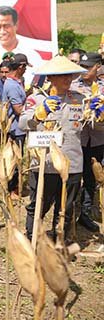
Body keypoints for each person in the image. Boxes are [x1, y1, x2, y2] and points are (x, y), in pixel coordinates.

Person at [19, 55, 88, 241]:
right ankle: (32, 240)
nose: (68, 79)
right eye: (62, 75)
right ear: (50, 77)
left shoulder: (80, 100)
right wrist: (38, 114)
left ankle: (59, 243)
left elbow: (94, 126)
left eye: (70, 75)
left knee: (66, 207)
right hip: (45, 164)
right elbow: (22, 123)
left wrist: (100, 116)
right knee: (39, 206)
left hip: (72, 163)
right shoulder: (36, 99)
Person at [70, 51, 104, 232]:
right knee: (74, 178)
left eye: (88, 67)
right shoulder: (73, 86)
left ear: (98, 67)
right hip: (78, 139)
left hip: (98, 139)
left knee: (92, 178)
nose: (84, 70)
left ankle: (85, 213)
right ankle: (70, 213)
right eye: (82, 67)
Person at [1, 53, 31, 197]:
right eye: (25, 67)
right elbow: (18, 109)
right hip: (15, 129)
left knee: (17, 157)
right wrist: (35, 109)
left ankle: (15, 187)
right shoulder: (12, 85)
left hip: (18, 128)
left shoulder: (17, 82)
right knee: (14, 159)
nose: (25, 70)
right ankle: (12, 189)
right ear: (20, 67)